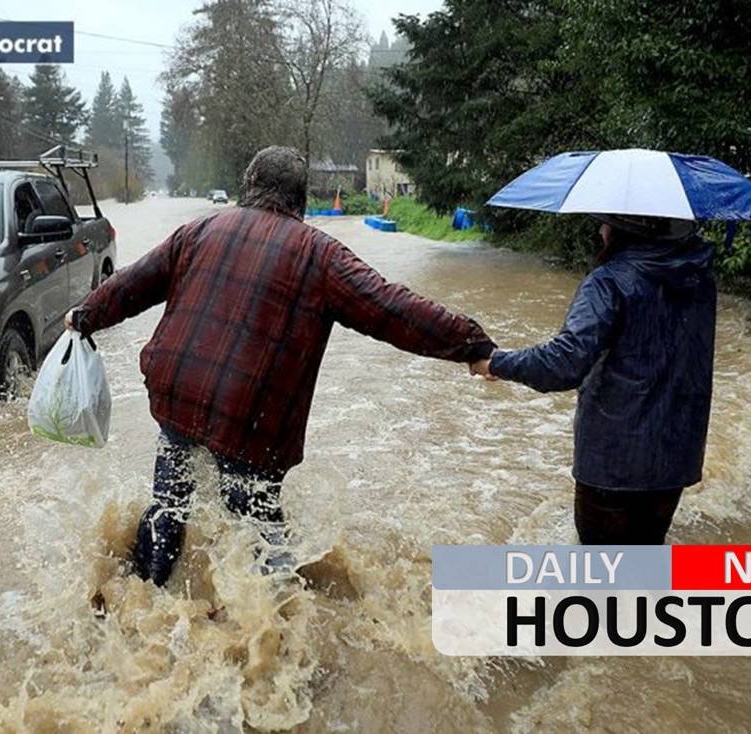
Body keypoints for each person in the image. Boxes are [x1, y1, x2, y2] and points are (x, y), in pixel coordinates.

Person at [68, 146, 496, 585]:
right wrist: (471, 343)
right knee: (258, 525)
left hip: (179, 395)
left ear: (248, 187)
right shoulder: (319, 255)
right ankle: (271, 626)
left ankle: (143, 596)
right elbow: (393, 310)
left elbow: (131, 285)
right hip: (250, 416)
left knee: (169, 504)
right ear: (301, 201)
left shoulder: (197, 232)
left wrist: (83, 315)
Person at [471, 214, 716, 545]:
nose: (601, 230)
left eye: (607, 223)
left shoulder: (608, 281)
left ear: (629, 229)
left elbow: (565, 362)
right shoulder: (699, 277)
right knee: (644, 559)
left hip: (614, 460)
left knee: (598, 574)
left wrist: (497, 362)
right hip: (675, 458)